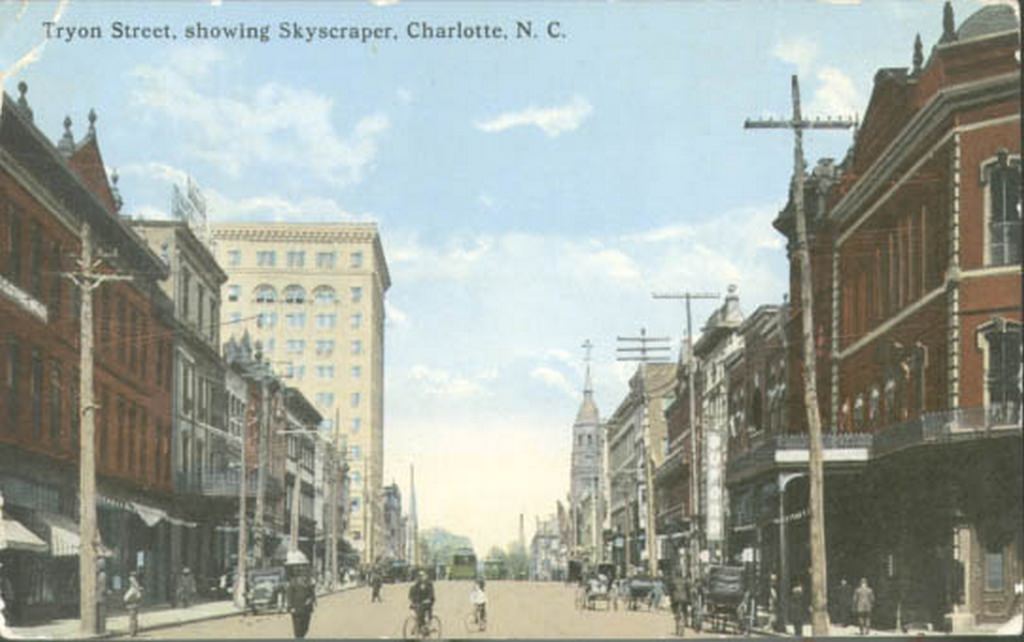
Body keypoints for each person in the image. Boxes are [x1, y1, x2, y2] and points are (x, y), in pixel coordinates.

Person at [286, 555, 316, 639]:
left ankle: (301, 636)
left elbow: (312, 593)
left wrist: (311, 599)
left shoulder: (309, 582)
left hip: (307, 609)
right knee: (297, 629)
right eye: (300, 573)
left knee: (306, 627)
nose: (302, 575)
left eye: (303, 572)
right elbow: (289, 595)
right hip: (297, 608)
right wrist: (290, 606)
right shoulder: (292, 582)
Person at [124, 572, 143, 637]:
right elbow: (139, 596)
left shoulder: (132, 590)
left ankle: (132, 633)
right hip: (135, 604)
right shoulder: (137, 590)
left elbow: (126, 598)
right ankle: (135, 632)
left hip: (132, 605)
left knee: (132, 619)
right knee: (134, 619)